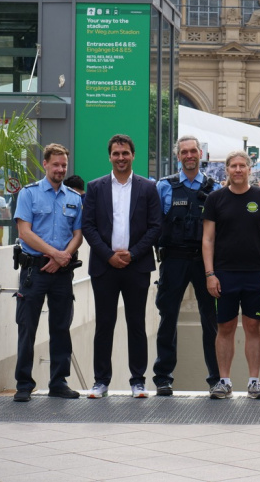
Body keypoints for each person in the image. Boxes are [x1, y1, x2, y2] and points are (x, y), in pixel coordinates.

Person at [82, 134, 162, 398]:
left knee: (136, 323)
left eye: (125, 153)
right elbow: (89, 226)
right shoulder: (95, 187)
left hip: (136, 266)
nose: (120, 158)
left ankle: (138, 380)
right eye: (116, 153)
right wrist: (109, 255)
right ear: (109, 156)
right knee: (104, 324)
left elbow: (155, 227)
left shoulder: (148, 188)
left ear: (133, 155)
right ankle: (100, 381)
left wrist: (133, 254)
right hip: (104, 266)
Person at [202, 150, 260, 399]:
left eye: (242, 166)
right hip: (224, 274)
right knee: (225, 327)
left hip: (256, 273)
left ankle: (254, 382)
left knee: (253, 326)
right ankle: (224, 381)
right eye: (233, 166)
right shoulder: (215, 199)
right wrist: (210, 274)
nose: (237, 170)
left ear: (249, 169)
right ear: (227, 170)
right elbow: (208, 239)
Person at [12, 143, 83, 402]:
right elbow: (24, 232)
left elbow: (78, 235)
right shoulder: (29, 194)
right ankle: (23, 384)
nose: (60, 169)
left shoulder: (74, 198)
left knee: (61, 327)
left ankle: (58, 382)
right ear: (45, 164)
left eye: (64, 165)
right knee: (27, 327)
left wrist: (63, 258)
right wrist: (56, 254)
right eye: (56, 165)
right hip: (34, 271)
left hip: (62, 273)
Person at [152, 135, 221, 396]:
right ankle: (163, 378)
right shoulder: (163, 187)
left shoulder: (215, 188)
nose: (189, 155)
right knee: (167, 317)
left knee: (211, 320)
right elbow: (154, 223)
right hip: (173, 259)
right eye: (184, 152)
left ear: (200, 154)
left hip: (205, 262)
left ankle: (216, 378)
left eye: (193, 151)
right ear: (178, 156)